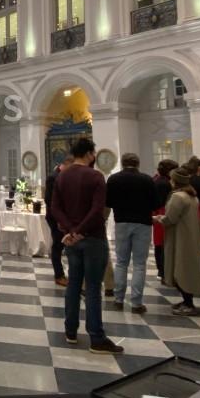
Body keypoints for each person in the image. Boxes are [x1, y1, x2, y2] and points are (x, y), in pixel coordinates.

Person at [51, 138, 122, 354]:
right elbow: (97, 208)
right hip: (92, 237)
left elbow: (55, 207)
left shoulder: (62, 176)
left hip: (73, 240)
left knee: (74, 283)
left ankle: (70, 330)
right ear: (90, 154)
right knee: (92, 288)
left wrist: (71, 230)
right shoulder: (95, 176)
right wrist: (80, 230)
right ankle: (96, 337)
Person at [106, 153, 155, 313]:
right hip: (143, 223)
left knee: (121, 262)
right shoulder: (147, 179)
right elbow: (156, 203)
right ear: (138, 164)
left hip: (121, 221)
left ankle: (119, 299)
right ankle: (136, 303)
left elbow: (109, 202)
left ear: (122, 163)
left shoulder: (114, 179)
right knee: (139, 264)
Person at [155, 169, 200, 316]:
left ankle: (188, 303)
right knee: (187, 267)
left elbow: (170, 218)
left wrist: (158, 219)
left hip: (180, 237)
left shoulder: (178, 197)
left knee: (181, 268)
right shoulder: (192, 196)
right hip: (190, 236)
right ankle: (186, 301)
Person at [44, 156, 72, 287]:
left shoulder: (65, 177)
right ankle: (59, 275)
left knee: (66, 245)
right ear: (65, 165)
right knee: (57, 245)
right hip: (55, 218)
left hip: (65, 218)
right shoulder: (53, 177)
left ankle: (70, 274)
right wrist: (59, 220)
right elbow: (49, 201)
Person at [151, 159, 178, 276]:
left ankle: (161, 270)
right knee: (163, 243)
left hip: (157, 213)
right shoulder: (165, 183)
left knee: (159, 243)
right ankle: (163, 270)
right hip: (162, 213)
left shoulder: (156, 179)